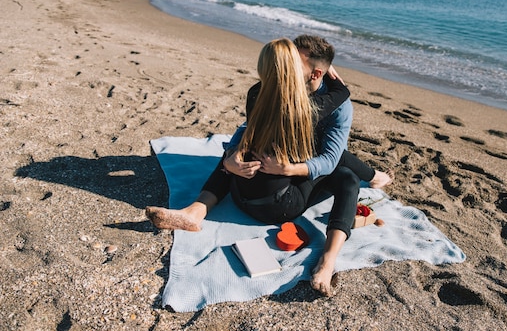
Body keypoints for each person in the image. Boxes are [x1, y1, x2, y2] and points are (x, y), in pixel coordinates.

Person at [147, 36, 391, 296]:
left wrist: (282, 168)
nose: (283, 68)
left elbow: (329, 157)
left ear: (316, 73)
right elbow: (252, 130)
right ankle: (196, 211)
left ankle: (328, 259)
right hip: (278, 201)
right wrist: (234, 154)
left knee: (329, 158)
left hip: (260, 183)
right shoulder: (293, 97)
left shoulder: (325, 105)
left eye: (291, 63)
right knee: (345, 175)